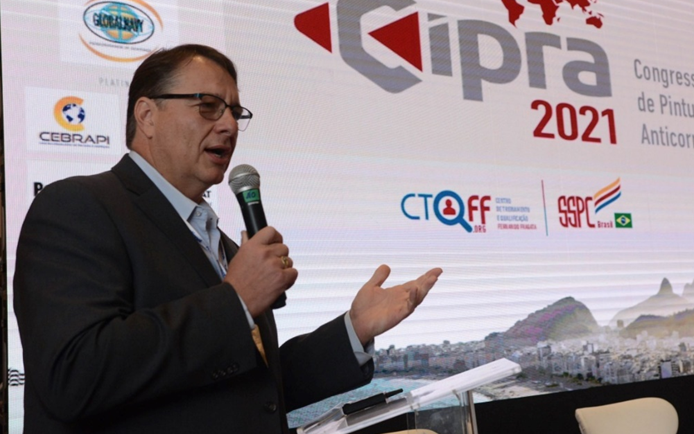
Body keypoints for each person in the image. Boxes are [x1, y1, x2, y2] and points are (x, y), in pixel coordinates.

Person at [14, 44, 442, 434]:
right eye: (208, 106)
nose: (229, 125)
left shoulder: (224, 246)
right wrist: (235, 300)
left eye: (235, 112)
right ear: (146, 115)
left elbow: (255, 391)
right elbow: (73, 375)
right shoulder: (79, 206)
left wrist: (353, 330)